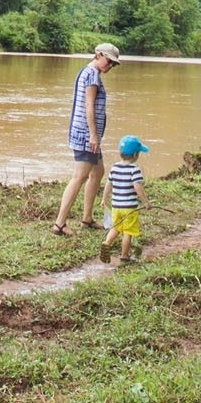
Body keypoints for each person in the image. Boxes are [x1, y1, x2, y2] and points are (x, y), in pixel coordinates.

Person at [53, 43, 120, 235]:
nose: (110, 66)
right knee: (79, 177)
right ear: (98, 55)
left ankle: (87, 218)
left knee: (98, 172)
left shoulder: (89, 72)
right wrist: (92, 135)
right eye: (109, 61)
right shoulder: (91, 75)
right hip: (86, 134)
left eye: (113, 64)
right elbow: (88, 106)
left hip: (88, 134)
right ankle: (59, 224)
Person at [99, 135, 149, 263]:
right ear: (135, 154)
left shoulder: (114, 167)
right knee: (128, 232)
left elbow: (108, 184)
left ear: (120, 152)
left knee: (116, 227)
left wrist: (104, 199)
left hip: (116, 206)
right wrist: (145, 202)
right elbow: (137, 187)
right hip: (129, 208)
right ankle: (124, 255)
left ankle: (107, 242)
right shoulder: (134, 169)